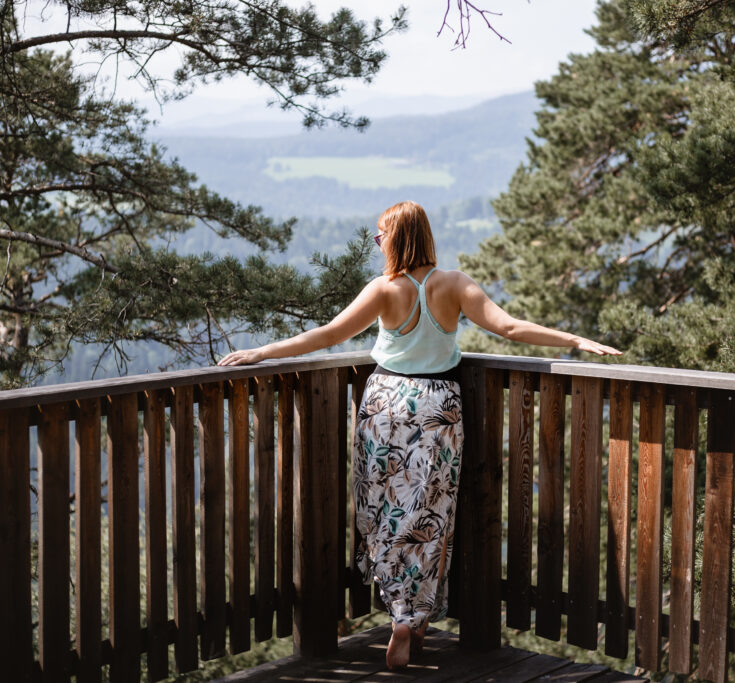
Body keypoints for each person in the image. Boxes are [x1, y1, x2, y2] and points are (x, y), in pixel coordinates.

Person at [218, 200, 621, 669]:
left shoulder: (384, 290)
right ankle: (416, 618)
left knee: (384, 510)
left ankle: (399, 614)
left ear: (398, 236)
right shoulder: (454, 285)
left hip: (387, 406)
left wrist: (262, 352)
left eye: (380, 234)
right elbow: (509, 328)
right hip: (438, 409)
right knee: (431, 513)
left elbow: (328, 335)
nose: (377, 242)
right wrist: (573, 339)